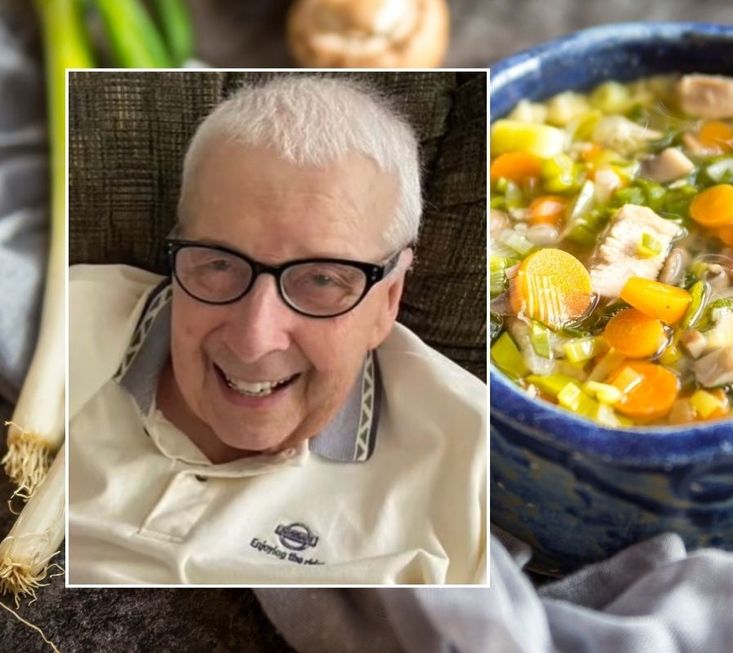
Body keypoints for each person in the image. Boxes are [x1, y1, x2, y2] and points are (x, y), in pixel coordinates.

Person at [67, 74, 487, 585]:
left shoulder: (473, 472)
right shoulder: (55, 328)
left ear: (388, 300)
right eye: (219, 264)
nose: (254, 339)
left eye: (322, 279)